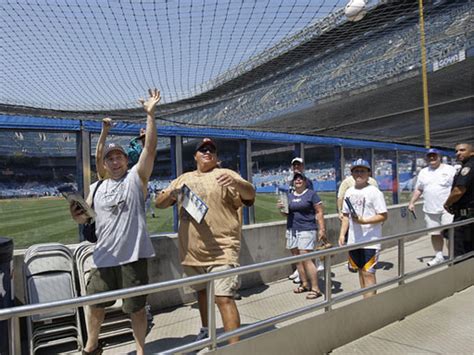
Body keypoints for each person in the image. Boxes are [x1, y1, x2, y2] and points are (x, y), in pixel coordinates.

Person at [69, 88, 161, 355]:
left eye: (119, 156)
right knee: (95, 303)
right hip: (103, 257)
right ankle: (91, 346)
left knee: (135, 308)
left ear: (125, 160)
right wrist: (77, 215)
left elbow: (151, 149)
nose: (115, 160)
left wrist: (151, 116)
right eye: (110, 157)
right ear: (105, 163)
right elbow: (84, 215)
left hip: (133, 256)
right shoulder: (96, 187)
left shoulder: (136, 178)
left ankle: (141, 350)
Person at [155, 138, 255, 344]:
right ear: (195, 156)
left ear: (216, 157)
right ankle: (206, 329)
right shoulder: (183, 178)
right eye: (202, 150)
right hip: (192, 252)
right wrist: (172, 194)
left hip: (222, 249)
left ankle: (234, 348)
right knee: (201, 293)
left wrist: (236, 183)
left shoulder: (226, 175)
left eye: (211, 150)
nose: (207, 152)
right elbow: (159, 203)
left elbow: (250, 194)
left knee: (224, 298)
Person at [338, 159, 388, 298]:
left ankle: (371, 304)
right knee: (360, 271)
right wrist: (342, 234)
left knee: (368, 272)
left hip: (371, 240)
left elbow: (383, 215)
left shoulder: (374, 192)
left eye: (362, 171)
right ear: (351, 173)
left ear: (369, 173)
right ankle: (365, 300)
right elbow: (346, 216)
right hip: (354, 240)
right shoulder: (349, 192)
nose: (359, 174)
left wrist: (364, 220)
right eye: (356, 171)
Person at [277, 172, 325, 299]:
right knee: (297, 260)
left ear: (305, 181)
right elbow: (287, 214)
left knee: (306, 258)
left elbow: (319, 212)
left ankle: (316, 288)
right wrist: (281, 209)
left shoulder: (311, 194)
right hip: (292, 229)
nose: (298, 180)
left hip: (307, 229)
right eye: (295, 178)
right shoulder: (290, 196)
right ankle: (305, 284)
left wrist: (322, 229)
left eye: (300, 178)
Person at [408, 148, 456, 266]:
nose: (432, 158)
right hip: (430, 209)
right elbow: (419, 189)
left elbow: (457, 188)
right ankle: (439, 256)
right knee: (434, 234)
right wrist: (412, 202)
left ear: (439, 157)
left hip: (448, 209)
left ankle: (452, 258)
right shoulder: (424, 172)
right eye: (430, 156)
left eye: (434, 156)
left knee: (449, 234)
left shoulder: (450, 170)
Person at [443, 143, 474, 257]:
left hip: (466, 218)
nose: (458, 153)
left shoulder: (469, 167)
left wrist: (447, 203)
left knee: (460, 253)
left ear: (472, 152)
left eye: (462, 150)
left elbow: (458, 190)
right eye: (456, 151)